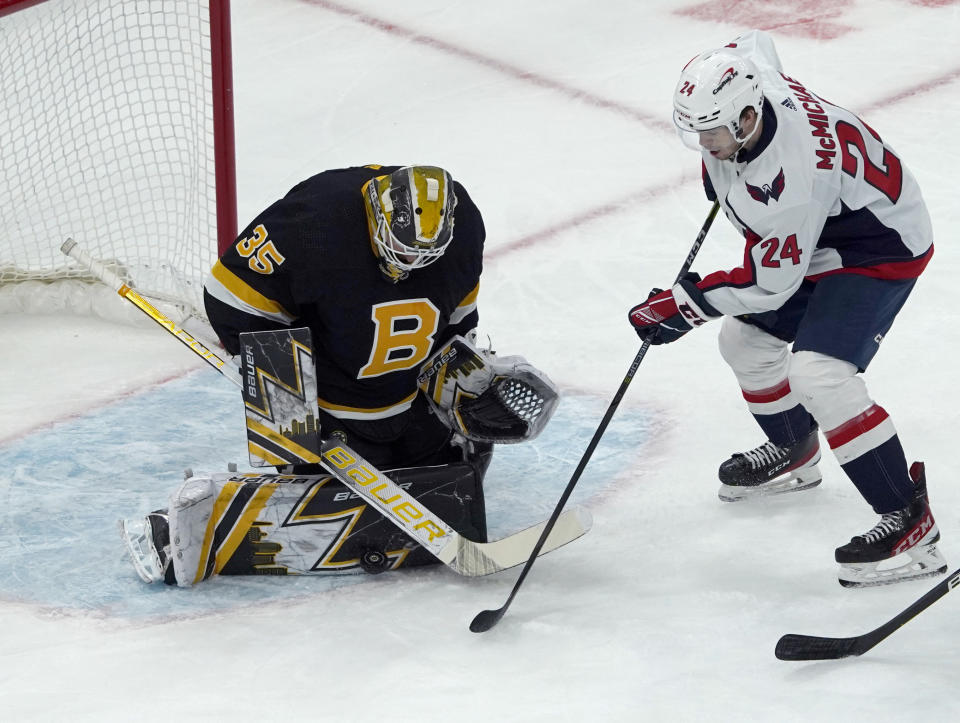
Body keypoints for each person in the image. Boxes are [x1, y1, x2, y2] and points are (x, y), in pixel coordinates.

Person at [122, 165, 558, 585]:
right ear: (378, 214)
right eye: (402, 249)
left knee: (443, 469)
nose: (411, 263)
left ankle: (418, 440)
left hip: (398, 387)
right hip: (323, 374)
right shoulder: (312, 222)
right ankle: (285, 465)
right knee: (301, 447)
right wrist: (280, 389)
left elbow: (457, 314)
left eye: (427, 254)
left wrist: (459, 372)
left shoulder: (464, 226)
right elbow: (227, 294)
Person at [627, 31, 946, 587]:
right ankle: (794, 447)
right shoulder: (754, 80)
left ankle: (908, 518)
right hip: (830, 226)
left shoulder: (788, 185)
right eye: (697, 132)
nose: (707, 145)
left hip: (878, 245)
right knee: (744, 343)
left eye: (716, 133)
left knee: (820, 373)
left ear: (750, 118)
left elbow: (770, 284)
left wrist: (683, 306)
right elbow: (752, 41)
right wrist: (722, 165)